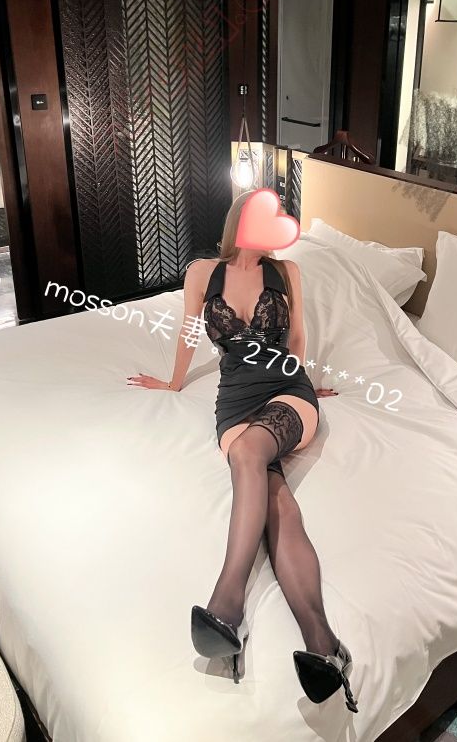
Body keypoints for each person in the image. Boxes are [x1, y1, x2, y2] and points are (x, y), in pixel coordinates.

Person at [128, 190, 358, 712]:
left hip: (286, 394)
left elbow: (296, 340)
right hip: (233, 404)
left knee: (252, 454)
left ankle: (227, 603)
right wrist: (173, 382)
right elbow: (189, 332)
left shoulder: (288, 272)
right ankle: (325, 647)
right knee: (277, 503)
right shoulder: (202, 273)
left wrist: (307, 382)